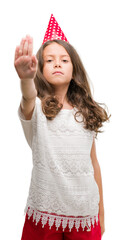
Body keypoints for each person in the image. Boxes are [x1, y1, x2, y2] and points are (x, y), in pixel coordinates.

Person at [14, 15, 110, 240]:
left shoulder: (85, 112)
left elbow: (93, 163)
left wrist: (101, 212)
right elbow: (28, 96)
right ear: (40, 68)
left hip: (84, 214)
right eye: (49, 60)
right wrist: (25, 79)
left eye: (64, 59)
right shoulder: (36, 109)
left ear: (74, 68)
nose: (57, 63)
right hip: (44, 215)